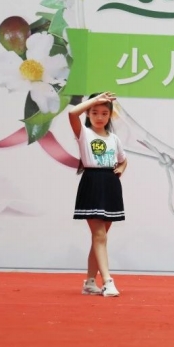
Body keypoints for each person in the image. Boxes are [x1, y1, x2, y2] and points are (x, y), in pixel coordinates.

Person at [68, 92, 127, 297]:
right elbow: (72, 113)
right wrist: (95, 99)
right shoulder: (84, 134)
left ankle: (90, 282)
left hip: (110, 184)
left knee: (100, 237)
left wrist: (121, 169)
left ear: (110, 115)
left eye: (104, 113)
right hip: (92, 183)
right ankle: (108, 281)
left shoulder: (114, 139)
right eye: (94, 112)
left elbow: (123, 159)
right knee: (99, 235)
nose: (99, 117)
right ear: (88, 113)